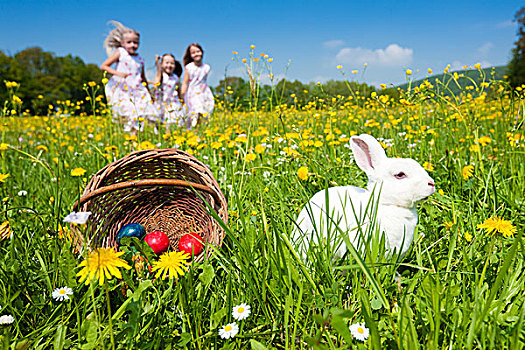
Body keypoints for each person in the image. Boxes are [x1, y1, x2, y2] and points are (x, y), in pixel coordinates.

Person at [100, 21, 156, 133]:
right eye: (129, 42)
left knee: (140, 113)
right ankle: (124, 135)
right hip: (122, 88)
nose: (133, 45)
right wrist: (119, 74)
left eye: (135, 42)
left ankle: (134, 137)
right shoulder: (120, 53)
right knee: (127, 112)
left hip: (137, 89)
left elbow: (142, 77)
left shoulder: (140, 59)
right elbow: (104, 66)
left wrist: (150, 87)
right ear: (122, 43)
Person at [180, 43, 214, 129]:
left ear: (202, 52)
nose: (196, 54)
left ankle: (200, 130)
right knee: (196, 112)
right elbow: (185, 82)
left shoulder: (206, 67)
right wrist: (182, 95)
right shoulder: (189, 67)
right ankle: (193, 130)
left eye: (198, 51)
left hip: (204, 92)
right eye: (193, 52)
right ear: (190, 55)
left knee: (205, 113)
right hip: (193, 93)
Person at [152, 54, 185, 129]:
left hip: (172, 103)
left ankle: (169, 137)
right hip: (161, 103)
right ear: (162, 64)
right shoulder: (161, 76)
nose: (169, 65)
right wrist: (157, 63)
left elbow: (178, 89)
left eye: (172, 63)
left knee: (171, 122)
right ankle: (160, 138)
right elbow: (155, 85)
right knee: (159, 125)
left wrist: (182, 100)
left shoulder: (175, 77)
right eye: (166, 63)